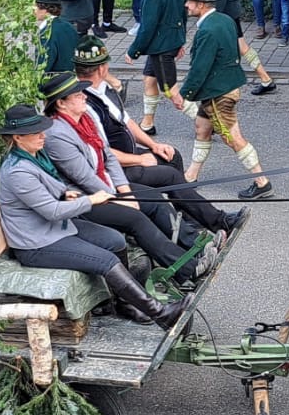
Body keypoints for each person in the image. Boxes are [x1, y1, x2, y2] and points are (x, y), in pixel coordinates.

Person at [0, 104, 184, 327]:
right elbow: (52, 211)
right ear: (18, 137)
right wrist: (90, 200)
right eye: (36, 132)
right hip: (37, 244)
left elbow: (51, 186)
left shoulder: (35, 155)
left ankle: (125, 303)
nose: (43, 135)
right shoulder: (17, 171)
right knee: (106, 261)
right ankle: (160, 314)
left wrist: (65, 193)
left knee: (114, 240)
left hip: (56, 229)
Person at [41, 72, 202, 278]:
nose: (84, 96)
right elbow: (84, 178)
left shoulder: (85, 119)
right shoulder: (56, 135)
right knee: (135, 218)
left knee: (153, 198)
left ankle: (193, 245)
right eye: (78, 94)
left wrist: (126, 191)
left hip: (105, 187)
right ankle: (187, 270)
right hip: (84, 200)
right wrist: (121, 199)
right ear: (61, 104)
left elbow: (108, 156)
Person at [74, 39, 241, 237]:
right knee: (169, 175)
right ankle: (218, 221)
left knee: (172, 156)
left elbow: (127, 122)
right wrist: (140, 159)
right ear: (102, 68)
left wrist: (154, 145)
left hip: (128, 156)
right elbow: (100, 152)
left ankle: (190, 217)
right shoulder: (84, 104)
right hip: (116, 168)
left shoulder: (104, 90)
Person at [173, 0, 272, 199]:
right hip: (221, 89)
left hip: (218, 93)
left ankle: (262, 182)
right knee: (202, 128)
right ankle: (190, 176)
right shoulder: (225, 20)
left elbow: (200, 68)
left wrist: (184, 94)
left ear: (201, 4)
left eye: (190, 1)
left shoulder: (207, 30)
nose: (186, 5)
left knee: (233, 137)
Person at [126, 0, 186, 135]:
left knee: (172, 91)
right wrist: (180, 41)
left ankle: (207, 120)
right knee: (149, 79)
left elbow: (148, 27)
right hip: (169, 43)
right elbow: (182, 15)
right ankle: (147, 122)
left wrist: (133, 51)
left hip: (160, 48)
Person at [34, 0, 79, 77]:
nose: (34, 9)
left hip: (55, 81)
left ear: (45, 9)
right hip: (72, 78)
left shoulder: (46, 32)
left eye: (36, 6)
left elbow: (43, 67)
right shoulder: (69, 26)